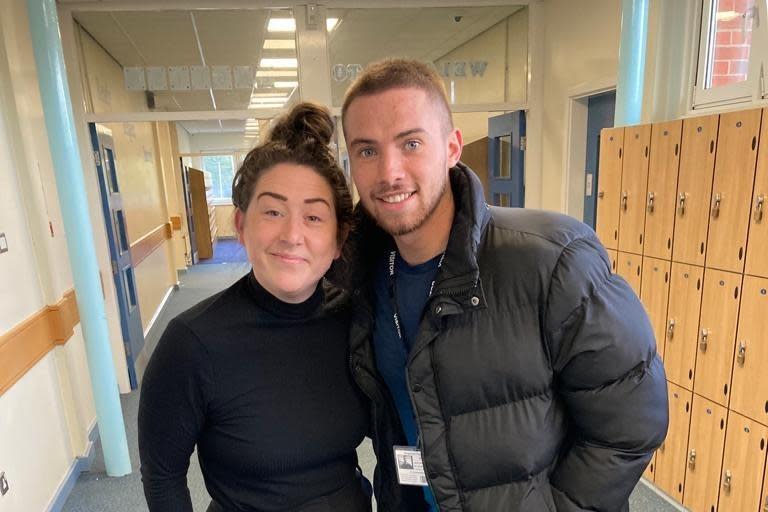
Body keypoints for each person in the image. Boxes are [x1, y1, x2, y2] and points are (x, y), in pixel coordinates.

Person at [341, 58, 669, 512]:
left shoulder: (553, 259)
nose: (389, 171)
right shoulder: (361, 277)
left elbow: (634, 420)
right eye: (367, 151)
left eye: (411, 143)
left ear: (452, 147)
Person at [138, 103, 371, 512]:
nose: (292, 234)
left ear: (339, 240)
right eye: (273, 211)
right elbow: (163, 478)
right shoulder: (192, 343)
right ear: (241, 226)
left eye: (314, 217)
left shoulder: (355, 321)